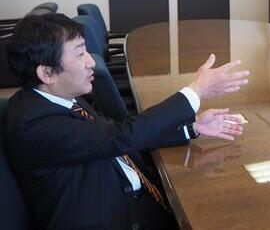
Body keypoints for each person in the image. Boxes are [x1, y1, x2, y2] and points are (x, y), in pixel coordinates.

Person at [4, 13, 250, 229]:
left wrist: (192, 127)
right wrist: (195, 92)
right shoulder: (34, 124)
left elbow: (114, 135)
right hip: (115, 218)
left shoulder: (57, 97)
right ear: (46, 72)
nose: (91, 62)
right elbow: (120, 137)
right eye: (80, 54)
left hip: (130, 196)